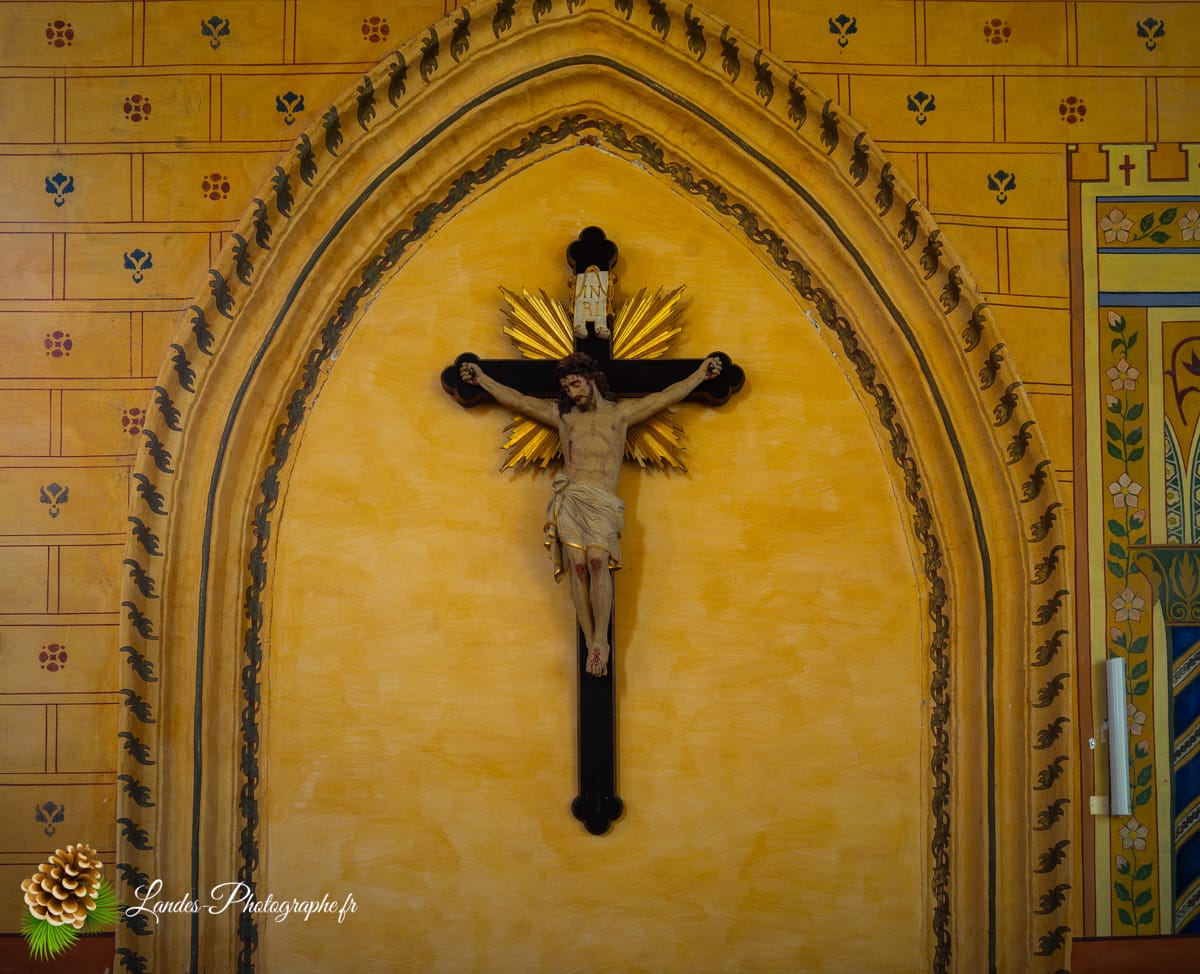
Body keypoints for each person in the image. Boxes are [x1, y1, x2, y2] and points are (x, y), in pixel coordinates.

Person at [460, 351, 723, 676]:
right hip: (572, 497)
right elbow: (520, 402)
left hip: (602, 501)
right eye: (566, 388)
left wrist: (700, 375)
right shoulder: (565, 419)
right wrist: (483, 380)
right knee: (579, 566)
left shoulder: (620, 415)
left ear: (591, 378)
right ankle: (591, 641)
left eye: (575, 383)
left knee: (598, 560)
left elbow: (664, 397)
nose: (572, 392)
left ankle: (602, 638)